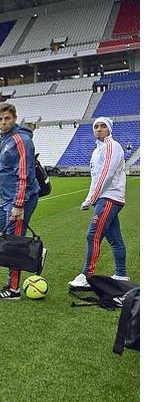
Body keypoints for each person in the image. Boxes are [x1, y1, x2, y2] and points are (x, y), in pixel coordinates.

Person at [0, 103, 40, 299]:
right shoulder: (5, 138)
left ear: (15, 118)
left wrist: (19, 204)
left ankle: (13, 289)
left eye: (7, 118)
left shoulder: (21, 139)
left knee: (14, 242)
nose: (3, 122)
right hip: (5, 197)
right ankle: (31, 252)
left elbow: (25, 174)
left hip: (19, 199)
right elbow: (8, 166)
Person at [69, 117, 129, 287]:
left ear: (109, 129)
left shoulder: (112, 146)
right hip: (103, 198)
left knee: (93, 235)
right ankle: (121, 275)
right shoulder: (97, 151)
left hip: (110, 196)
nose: (99, 129)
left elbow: (107, 174)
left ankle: (86, 275)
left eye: (103, 126)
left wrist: (92, 198)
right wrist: (90, 198)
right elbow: (95, 179)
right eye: (96, 126)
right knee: (114, 238)